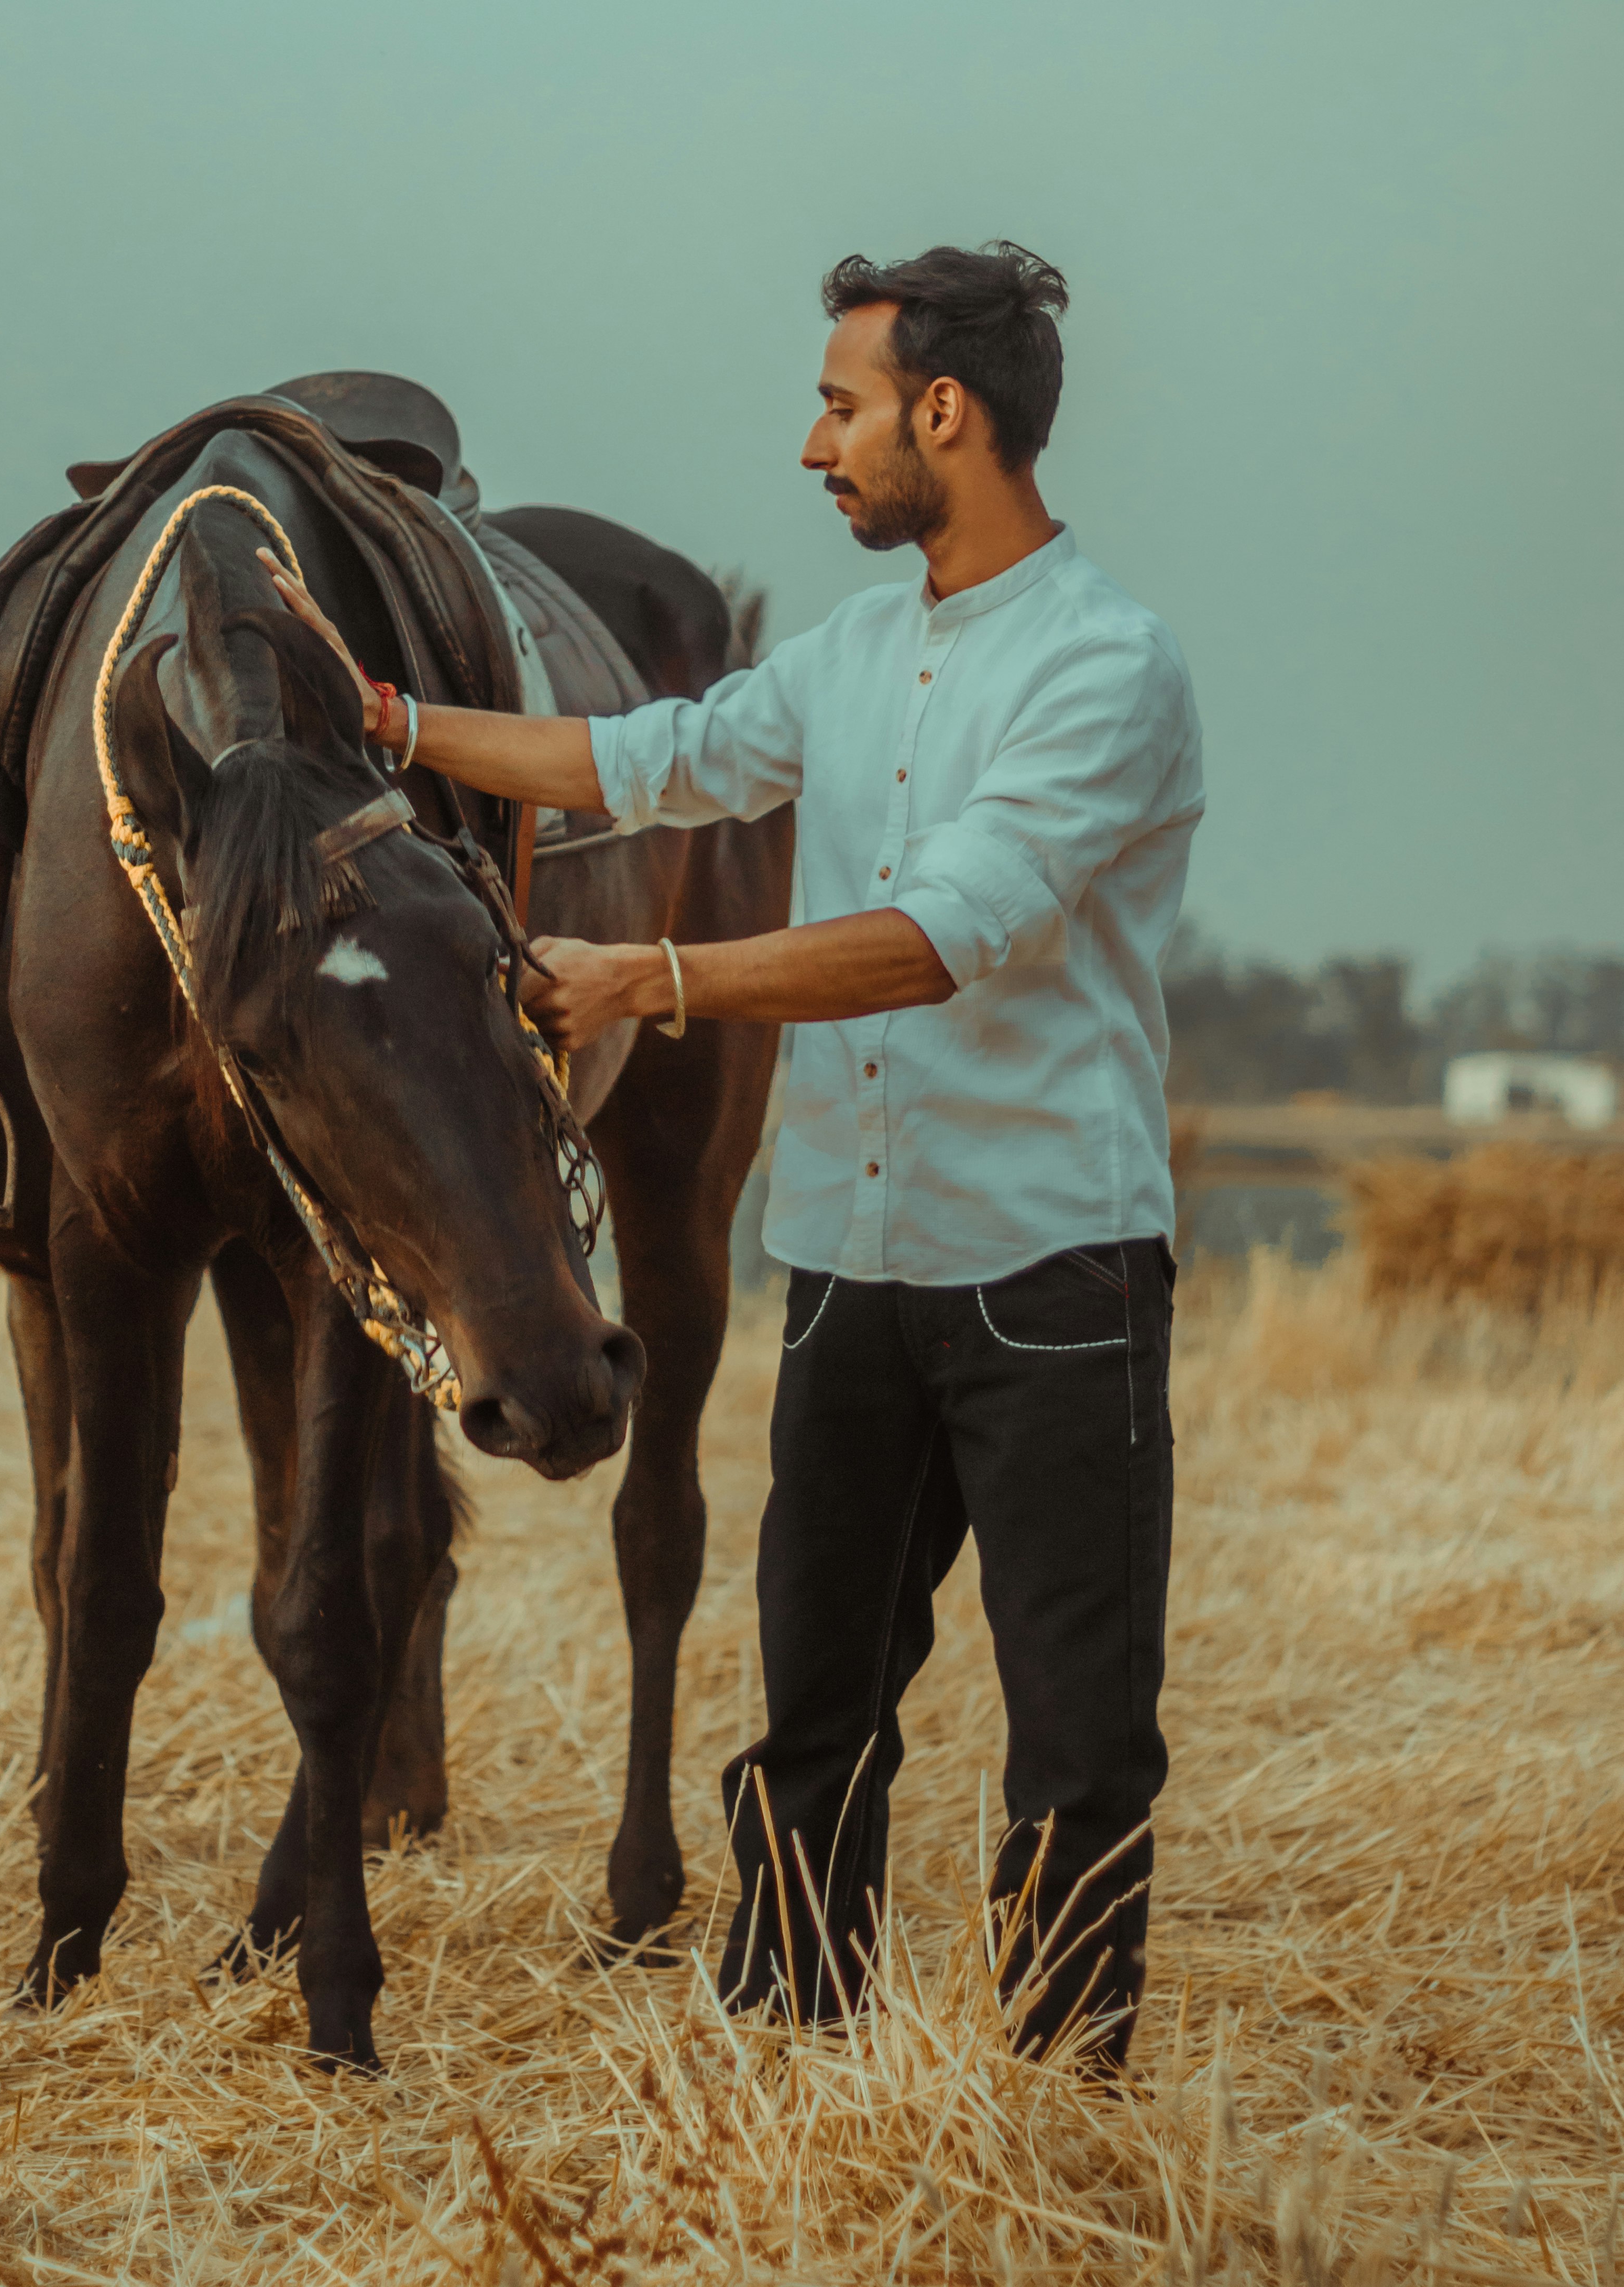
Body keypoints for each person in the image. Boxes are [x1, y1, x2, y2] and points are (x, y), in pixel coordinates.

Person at [261, 240, 1202, 2070]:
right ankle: (787, 2061)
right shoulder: (856, 652)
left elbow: (952, 928)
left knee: (1078, 1732)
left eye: (840, 406)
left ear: (948, 411)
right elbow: (647, 759)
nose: (812, 446)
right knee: (812, 1714)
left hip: (1054, 1272)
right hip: (856, 1266)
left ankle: (1067, 2100)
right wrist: (385, 721)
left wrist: (655, 976)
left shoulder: (1109, 668)